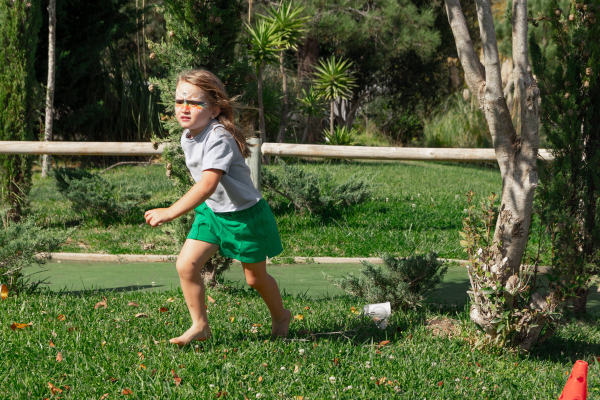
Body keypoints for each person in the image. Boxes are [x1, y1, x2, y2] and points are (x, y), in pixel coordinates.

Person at [144, 69, 291, 346]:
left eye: (194, 102)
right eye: (179, 101)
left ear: (214, 109)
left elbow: (207, 184)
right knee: (186, 266)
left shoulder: (218, 137)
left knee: (255, 279)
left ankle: (281, 316)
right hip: (212, 213)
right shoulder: (188, 135)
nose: (184, 108)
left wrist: (170, 211)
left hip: (245, 216)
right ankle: (200, 325)